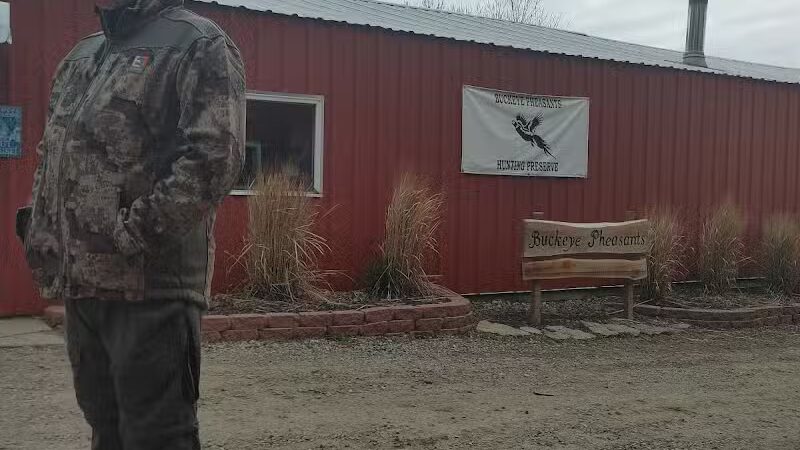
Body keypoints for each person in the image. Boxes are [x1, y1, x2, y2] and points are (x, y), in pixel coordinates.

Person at [15, 0, 245, 448]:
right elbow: (54, 152)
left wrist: (134, 234)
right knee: (106, 428)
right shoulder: (82, 54)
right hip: (82, 285)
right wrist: (39, 226)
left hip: (150, 289)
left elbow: (214, 159)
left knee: (156, 436)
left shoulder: (196, 43)